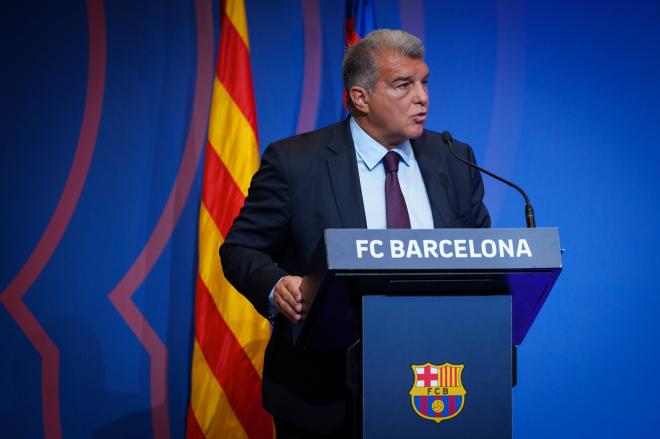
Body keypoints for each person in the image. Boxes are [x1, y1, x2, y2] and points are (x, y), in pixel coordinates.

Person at [220, 29, 490, 438]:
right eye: (404, 85)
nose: (422, 97)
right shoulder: (296, 162)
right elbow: (240, 249)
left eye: (424, 82)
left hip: (435, 382)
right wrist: (277, 286)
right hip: (323, 393)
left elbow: (481, 259)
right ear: (360, 98)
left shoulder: (453, 157)